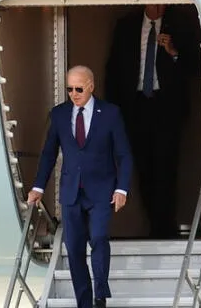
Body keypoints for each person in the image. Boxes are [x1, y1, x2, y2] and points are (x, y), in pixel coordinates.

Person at [28, 65, 133, 308]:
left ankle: (100, 294)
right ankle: (85, 302)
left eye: (78, 89)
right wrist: (38, 187)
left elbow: (124, 155)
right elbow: (48, 154)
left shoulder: (110, 113)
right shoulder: (59, 114)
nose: (74, 94)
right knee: (74, 250)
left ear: (91, 87)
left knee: (98, 238)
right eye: (69, 89)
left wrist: (122, 189)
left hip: (101, 191)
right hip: (71, 191)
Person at [104, 4, 199, 239]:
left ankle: (165, 227)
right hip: (136, 106)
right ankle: (154, 224)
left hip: (166, 107)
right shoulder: (126, 26)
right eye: (153, 2)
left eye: (161, 3)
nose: (158, 7)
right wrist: (113, 113)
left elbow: (196, 66)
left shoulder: (181, 25)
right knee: (143, 167)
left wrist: (173, 51)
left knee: (166, 167)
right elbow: (114, 70)